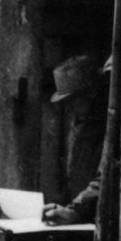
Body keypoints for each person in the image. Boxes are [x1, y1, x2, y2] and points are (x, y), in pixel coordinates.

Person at [50, 55, 106, 202]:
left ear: (91, 92)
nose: (69, 107)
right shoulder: (77, 124)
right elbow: (72, 178)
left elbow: (102, 181)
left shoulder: (107, 128)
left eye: (73, 99)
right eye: (66, 102)